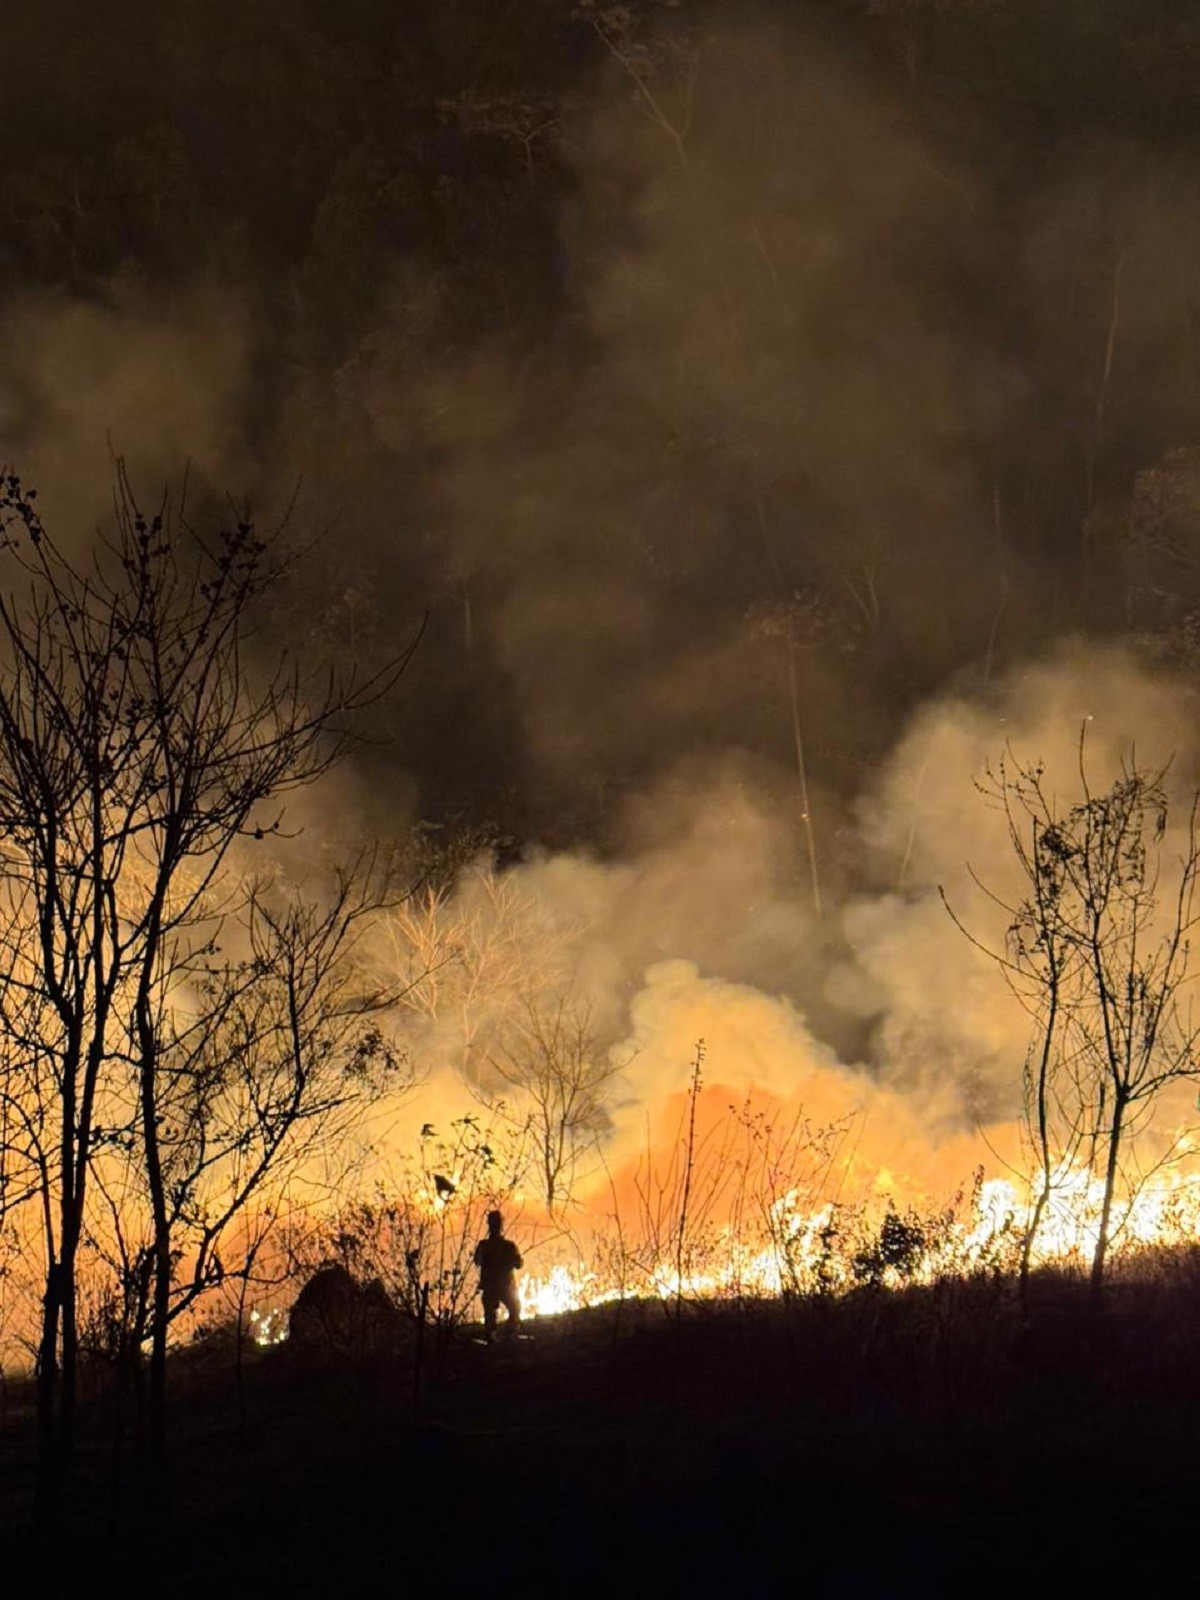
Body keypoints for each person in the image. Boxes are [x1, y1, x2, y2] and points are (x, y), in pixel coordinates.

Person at [473, 1209, 523, 1341]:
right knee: (515, 1308)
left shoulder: (484, 1246)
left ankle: (493, 1338)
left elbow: (477, 1261)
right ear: (501, 1225)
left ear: (488, 1225)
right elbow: (519, 1264)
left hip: (490, 1288)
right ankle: (507, 1334)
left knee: (490, 1318)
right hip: (506, 1287)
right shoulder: (508, 1246)